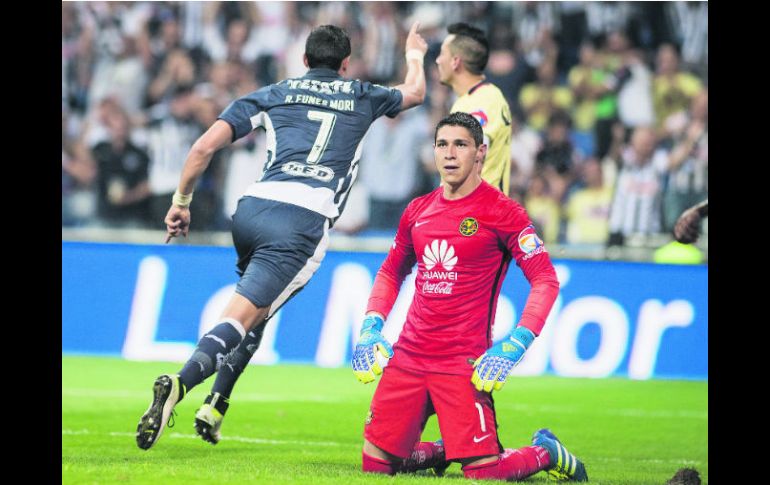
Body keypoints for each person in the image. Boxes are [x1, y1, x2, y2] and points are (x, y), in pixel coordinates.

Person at [135, 23, 428, 450]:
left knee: (259, 308)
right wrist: (414, 53)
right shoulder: (364, 94)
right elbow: (416, 92)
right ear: (345, 65)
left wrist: (181, 201)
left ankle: (217, 403)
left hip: (252, 210)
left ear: (304, 60)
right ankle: (179, 386)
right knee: (244, 316)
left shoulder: (273, 92)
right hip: (303, 221)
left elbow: (201, 148)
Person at [351, 112, 588, 481]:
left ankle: (545, 452)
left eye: (460, 144)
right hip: (409, 356)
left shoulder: (503, 212)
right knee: (376, 467)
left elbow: (545, 279)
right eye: (442, 145)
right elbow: (390, 270)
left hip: (462, 362)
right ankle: (445, 450)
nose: (449, 154)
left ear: (481, 152)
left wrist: (516, 343)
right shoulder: (417, 211)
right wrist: (370, 326)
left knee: (484, 474)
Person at [435, 23, 513, 195]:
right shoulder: (466, 101)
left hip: (481, 215)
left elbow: (474, 157)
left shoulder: (484, 100)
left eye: (442, 54)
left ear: (456, 62)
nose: (438, 60)